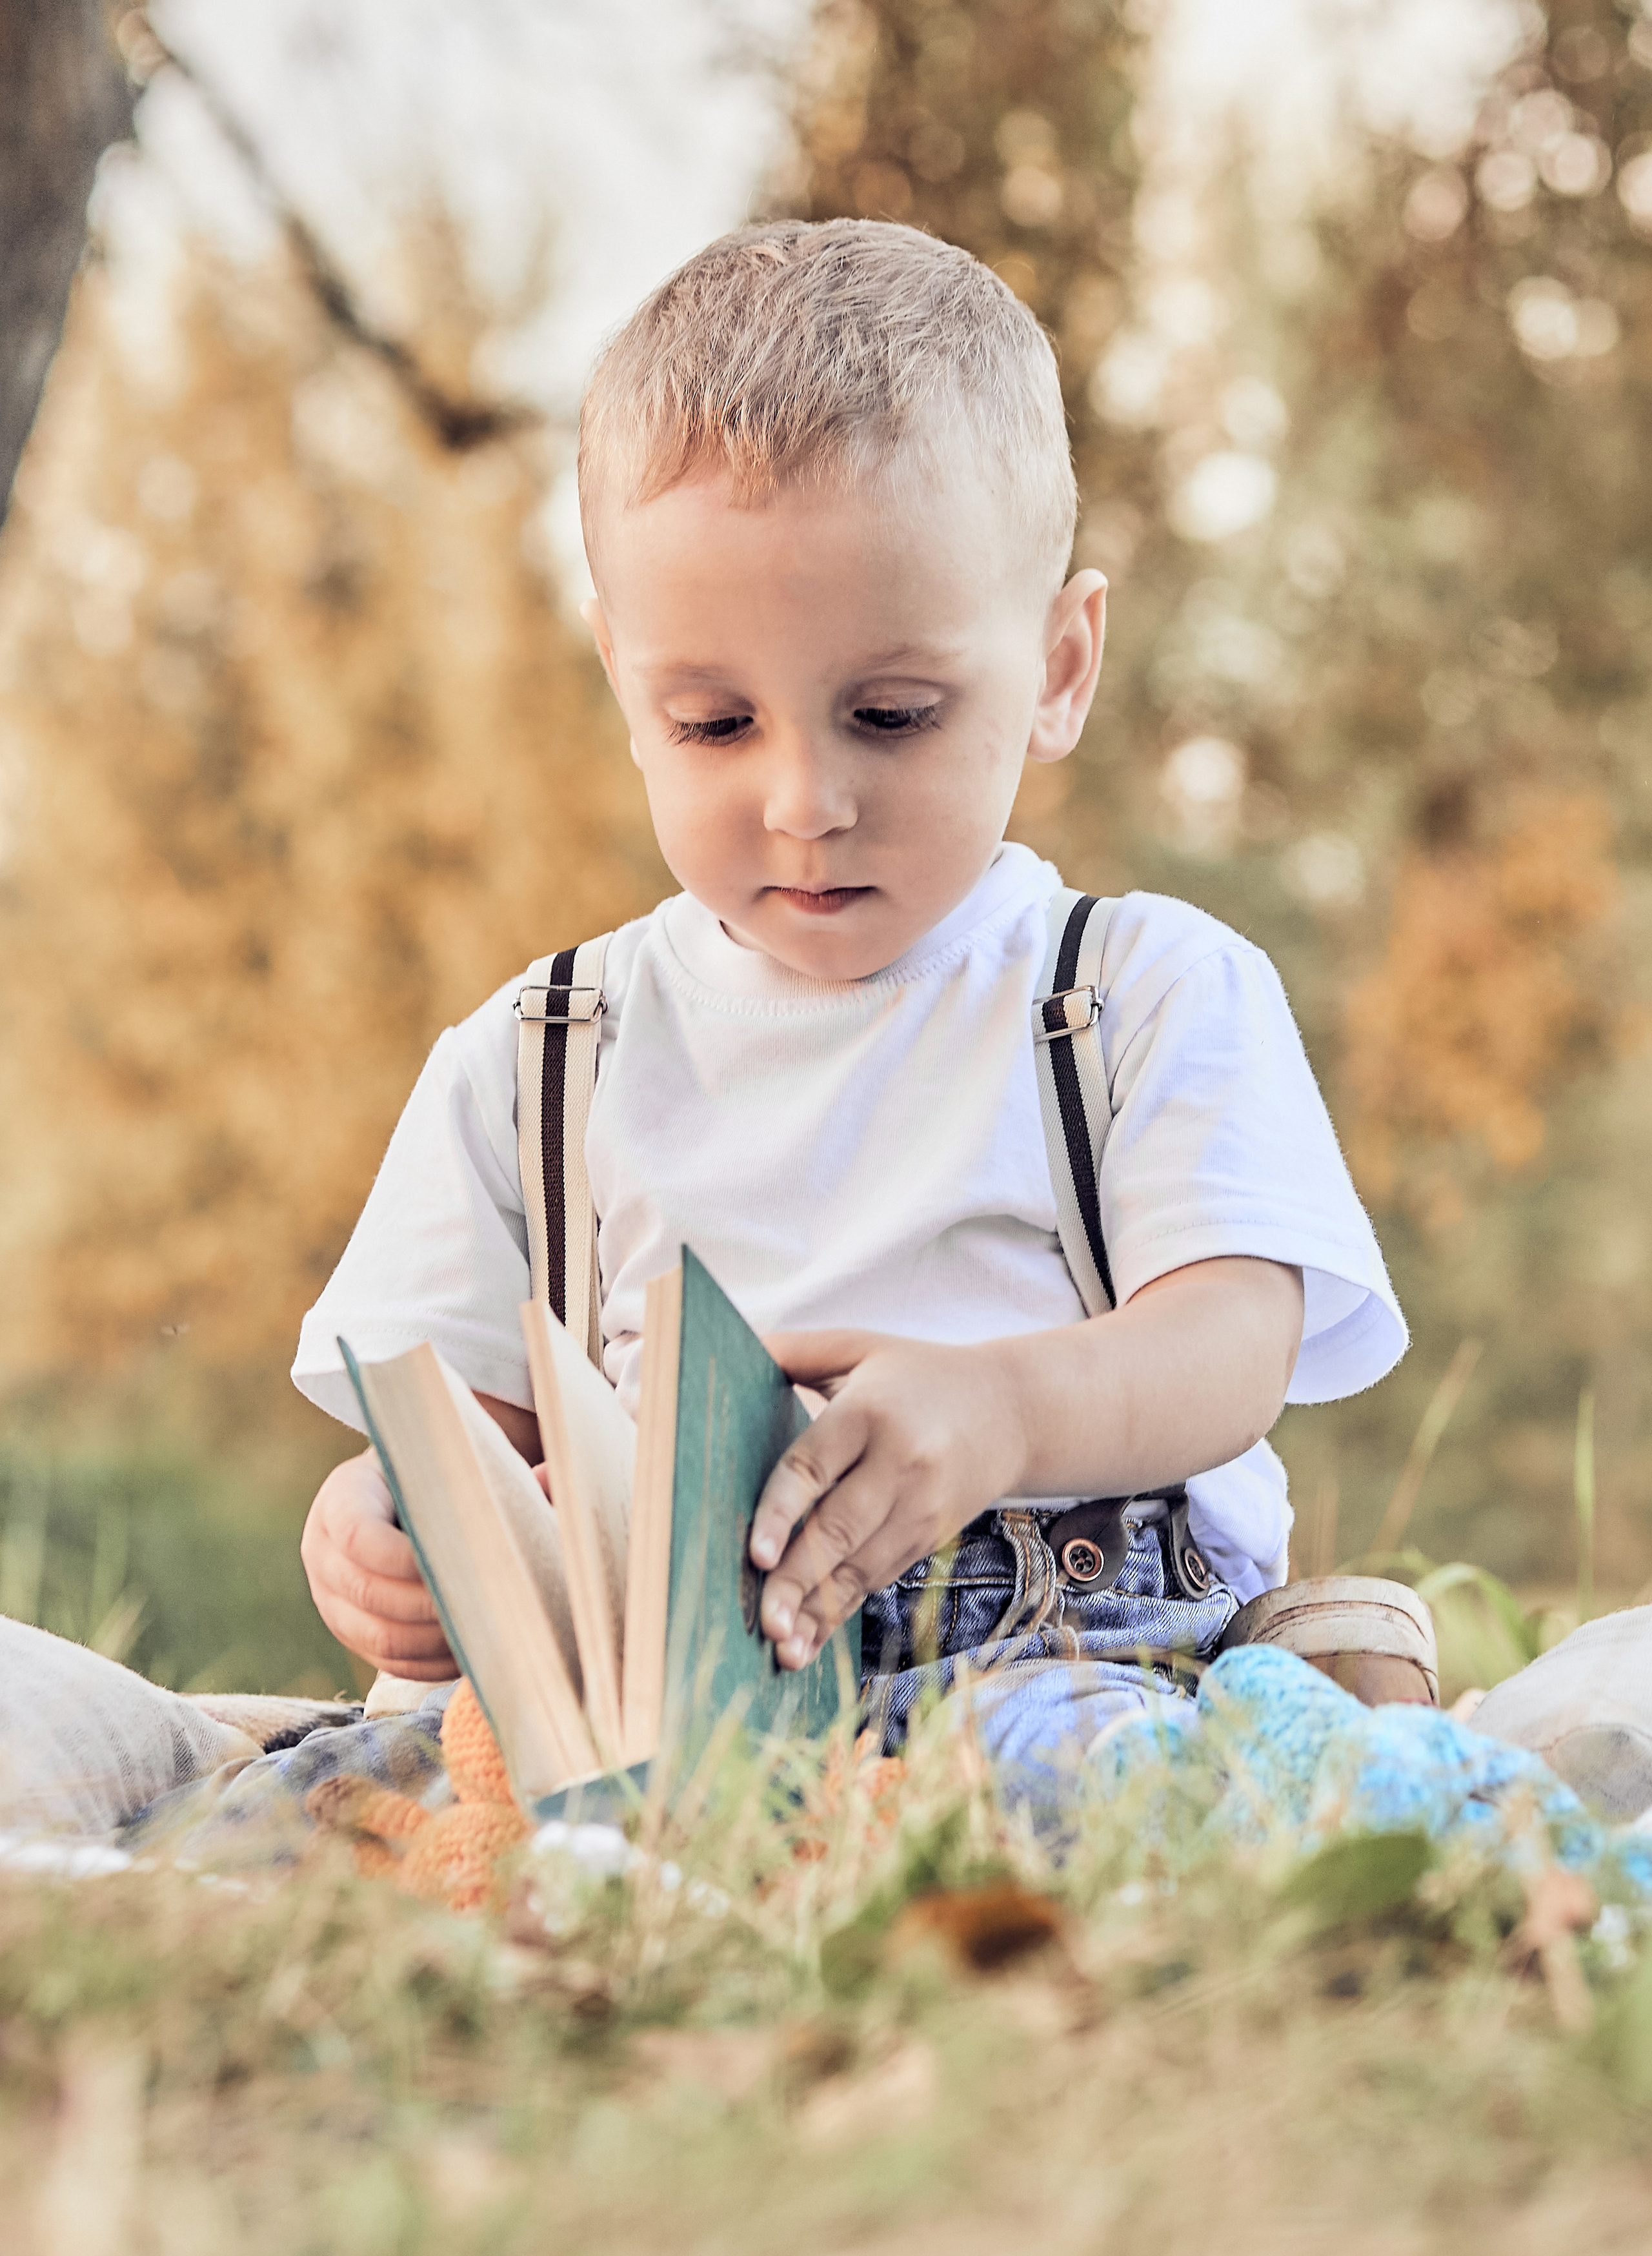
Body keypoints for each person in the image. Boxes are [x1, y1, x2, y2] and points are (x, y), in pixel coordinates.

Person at [292, 219, 1407, 1754]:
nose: (804, 799)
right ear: (626, 684)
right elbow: (455, 1440)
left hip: (1045, 1664)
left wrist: (1006, 1410)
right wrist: (379, 1531)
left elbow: (1231, 1342)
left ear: (1058, 669)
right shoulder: (540, 1059)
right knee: (329, 1801)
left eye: (889, 714)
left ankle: (1338, 1740)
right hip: (654, 1711)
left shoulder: (1134, 992)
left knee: (1091, 1789)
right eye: (713, 723)